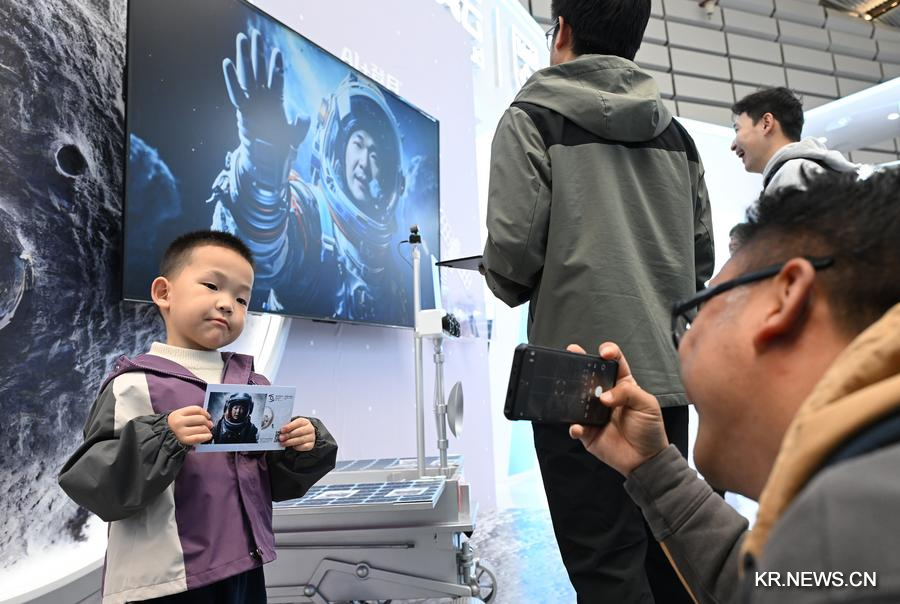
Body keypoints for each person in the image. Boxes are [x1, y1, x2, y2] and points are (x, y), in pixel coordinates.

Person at [570, 169, 900, 603]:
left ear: (783, 298)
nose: (683, 346)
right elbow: (769, 585)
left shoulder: (845, 522)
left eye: (703, 304)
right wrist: (652, 467)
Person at [480, 0, 714, 600]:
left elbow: (513, 251)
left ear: (561, 30)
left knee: (605, 569)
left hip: (574, 382)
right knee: (674, 561)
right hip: (664, 383)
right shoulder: (678, 137)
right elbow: (700, 261)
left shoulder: (531, 118)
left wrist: (507, 280)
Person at [58, 230, 338, 604]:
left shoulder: (253, 385)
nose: (227, 304)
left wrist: (303, 446)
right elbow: (97, 485)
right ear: (164, 292)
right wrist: (162, 436)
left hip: (244, 569)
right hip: (164, 582)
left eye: (242, 298)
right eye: (211, 286)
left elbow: (272, 483)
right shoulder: (133, 385)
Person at [208, 28, 416, 325]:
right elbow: (259, 258)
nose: (365, 162)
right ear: (337, 151)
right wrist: (264, 177)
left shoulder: (391, 269)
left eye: (374, 155)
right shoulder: (312, 214)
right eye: (358, 145)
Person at [730, 87, 858, 195]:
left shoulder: (793, 176)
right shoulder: (810, 172)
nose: (733, 145)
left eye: (737, 129)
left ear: (766, 123)